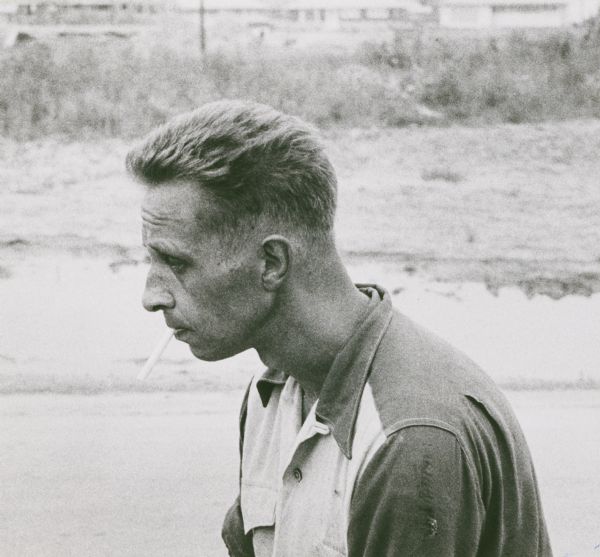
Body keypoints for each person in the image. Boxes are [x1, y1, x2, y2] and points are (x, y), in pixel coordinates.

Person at [127, 100, 552, 557]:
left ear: (271, 262)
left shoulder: (406, 440)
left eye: (175, 262)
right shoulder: (271, 390)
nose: (152, 296)